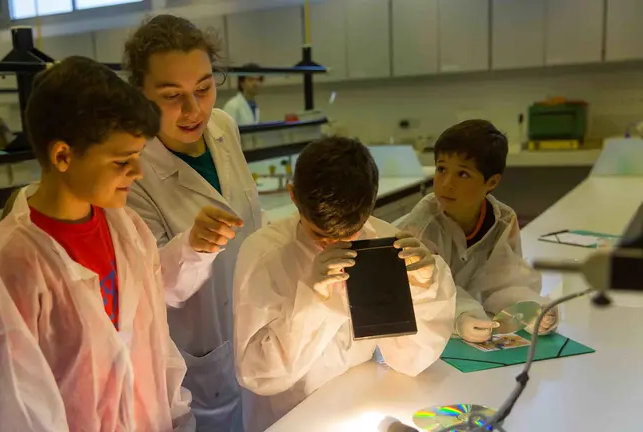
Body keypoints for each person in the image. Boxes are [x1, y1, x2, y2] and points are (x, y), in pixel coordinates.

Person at [0, 56, 194, 431]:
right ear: (63, 156)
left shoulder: (129, 231)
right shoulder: (5, 271)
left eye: (138, 157)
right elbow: (5, 413)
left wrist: (177, 418)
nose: (137, 173)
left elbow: (155, 350)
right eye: (122, 161)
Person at [233, 136, 456, 431]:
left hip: (357, 404)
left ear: (370, 205)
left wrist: (425, 290)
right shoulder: (263, 255)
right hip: (288, 418)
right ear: (293, 196)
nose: (335, 245)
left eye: (350, 233)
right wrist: (313, 301)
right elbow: (259, 375)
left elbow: (410, 359)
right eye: (320, 235)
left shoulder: (380, 241)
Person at [124, 15, 262, 431]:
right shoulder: (131, 168)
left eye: (203, 89)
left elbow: (250, 225)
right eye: (172, 96)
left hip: (257, 333)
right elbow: (156, 287)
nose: (193, 109)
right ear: (140, 95)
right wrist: (193, 247)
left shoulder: (223, 126)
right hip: (201, 353)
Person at [397, 120, 557, 344]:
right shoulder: (415, 229)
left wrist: (529, 308)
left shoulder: (502, 220)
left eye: (462, 174)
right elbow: (416, 296)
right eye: (441, 169)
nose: (447, 183)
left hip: (480, 322)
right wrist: (459, 317)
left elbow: (506, 281)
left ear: (491, 182)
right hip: (427, 339)